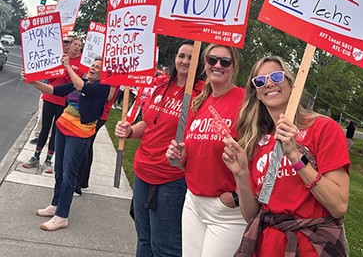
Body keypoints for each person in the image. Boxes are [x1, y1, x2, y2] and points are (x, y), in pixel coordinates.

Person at [222, 55, 350, 256]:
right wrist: (241, 175)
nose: (269, 83)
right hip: (268, 246)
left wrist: (295, 155)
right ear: (257, 94)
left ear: (291, 84)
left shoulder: (323, 128)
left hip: (311, 246)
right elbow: (252, 216)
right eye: (260, 81)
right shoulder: (258, 142)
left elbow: (338, 206)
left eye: (277, 76)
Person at [115, 40, 204, 257]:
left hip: (171, 178)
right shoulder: (162, 86)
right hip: (143, 170)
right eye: (181, 55)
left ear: (199, 63)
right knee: (144, 238)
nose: (185, 61)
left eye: (191, 58)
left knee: (165, 246)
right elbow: (147, 124)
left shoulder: (202, 94)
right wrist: (129, 131)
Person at [166, 43, 247, 257]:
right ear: (204, 64)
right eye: (212, 60)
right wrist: (180, 157)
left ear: (234, 66)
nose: (217, 65)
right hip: (193, 201)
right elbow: (195, 152)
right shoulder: (200, 102)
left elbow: (259, 154)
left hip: (225, 211)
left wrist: (236, 198)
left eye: (225, 61)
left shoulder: (245, 101)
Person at [24, 55, 110, 231]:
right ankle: (55, 205)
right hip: (63, 130)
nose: (92, 68)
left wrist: (68, 66)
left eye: (98, 67)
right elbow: (54, 90)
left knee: (69, 175)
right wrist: (32, 81)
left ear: (105, 74)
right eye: (92, 65)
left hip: (79, 135)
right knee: (59, 171)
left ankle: (62, 216)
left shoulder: (103, 88)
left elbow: (81, 86)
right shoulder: (82, 81)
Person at [23, 37, 84, 173]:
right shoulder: (59, 56)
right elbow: (50, 76)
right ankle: (36, 156)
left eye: (79, 45)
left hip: (64, 100)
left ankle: (49, 159)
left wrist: (66, 68)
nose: (77, 47)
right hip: (50, 97)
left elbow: (74, 83)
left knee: (56, 130)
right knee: (45, 127)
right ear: (69, 46)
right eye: (75, 44)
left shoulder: (80, 63)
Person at [74, 86, 118, 196]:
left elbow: (109, 96)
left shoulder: (111, 74)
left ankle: (78, 185)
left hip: (99, 112)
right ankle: (83, 182)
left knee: (85, 145)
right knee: (88, 146)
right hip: (96, 111)